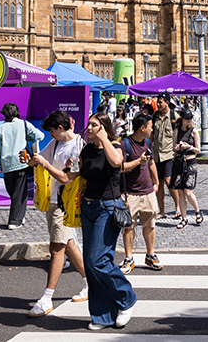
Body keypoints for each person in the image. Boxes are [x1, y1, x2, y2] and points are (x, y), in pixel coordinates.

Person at [26, 110, 89, 316]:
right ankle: (90, 282)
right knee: (68, 244)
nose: (50, 135)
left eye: (52, 131)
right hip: (53, 201)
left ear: (61, 128)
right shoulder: (55, 144)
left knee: (56, 249)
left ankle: (47, 297)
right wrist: (30, 159)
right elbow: (37, 161)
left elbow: (66, 178)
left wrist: (43, 163)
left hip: (65, 203)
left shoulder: (79, 146)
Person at [78, 112, 137, 330]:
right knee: (91, 264)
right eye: (89, 125)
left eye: (95, 125)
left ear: (104, 127)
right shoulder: (87, 149)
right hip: (88, 207)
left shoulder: (116, 145)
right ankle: (103, 315)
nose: (90, 128)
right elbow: (81, 172)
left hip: (108, 207)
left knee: (97, 260)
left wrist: (104, 139)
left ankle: (126, 297)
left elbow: (116, 162)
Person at [119, 113, 163, 274]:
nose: (152, 130)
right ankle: (129, 257)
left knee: (150, 224)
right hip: (130, 192)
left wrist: (156, 182)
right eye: (150, 127)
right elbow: (120, 166)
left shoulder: (148, 142)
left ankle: (150, 255)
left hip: (147, 191)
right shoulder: (125, 144)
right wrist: (138, 161)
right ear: (142, 128)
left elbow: (151, 162)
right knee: (129, 226)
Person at [0, 102, 43, 229]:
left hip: (6, 164)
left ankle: (17, 218)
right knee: (19, 193)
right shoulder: (24, 124)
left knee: (13, 192)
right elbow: (40, 135)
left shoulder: (1, 128)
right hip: (22, 162)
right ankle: (16, 220)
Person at [170, 110, 203, 229]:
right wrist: (178, 147)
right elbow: (173, 148)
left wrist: (189, 146)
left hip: (190, 162)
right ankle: (184, 218)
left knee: (188, 191)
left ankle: (197, 211)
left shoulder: (194, 131)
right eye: (187, 118)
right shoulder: (176, 131)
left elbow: (198, 150)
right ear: (182, 119)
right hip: (179, 162)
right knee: (180, 192)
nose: (189, 120)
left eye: (190, 118)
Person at [152, 97, 176, 218]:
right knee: (159, 183)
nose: (158, 104)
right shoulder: (155, 116)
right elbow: (152, 134)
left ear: (167, 102)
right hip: (156, 154)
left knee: (168, 180)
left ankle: (178, 206)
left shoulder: (173, 116)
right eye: (157, 102)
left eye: (160, 102)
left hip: (168, 153)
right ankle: (161, 211)